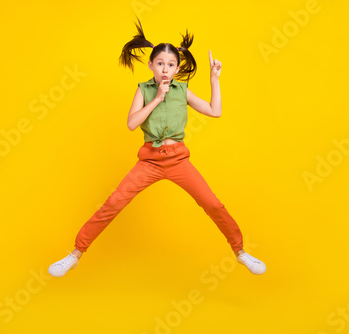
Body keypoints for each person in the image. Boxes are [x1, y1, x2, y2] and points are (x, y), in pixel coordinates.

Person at [48, 17, 266, 277]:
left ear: (177, 68)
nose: (165, 69)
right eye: (160, 63)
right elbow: (131, 123)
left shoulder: (183, 90)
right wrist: (157, 98)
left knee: (214, 205)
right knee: (113, 203)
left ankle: (240, 252)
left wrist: (214, 78)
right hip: (149, 161)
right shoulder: (143, 89)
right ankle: (74, 254)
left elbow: (214, 111)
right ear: (151, 65)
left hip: (178, 161)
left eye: (171, 64)